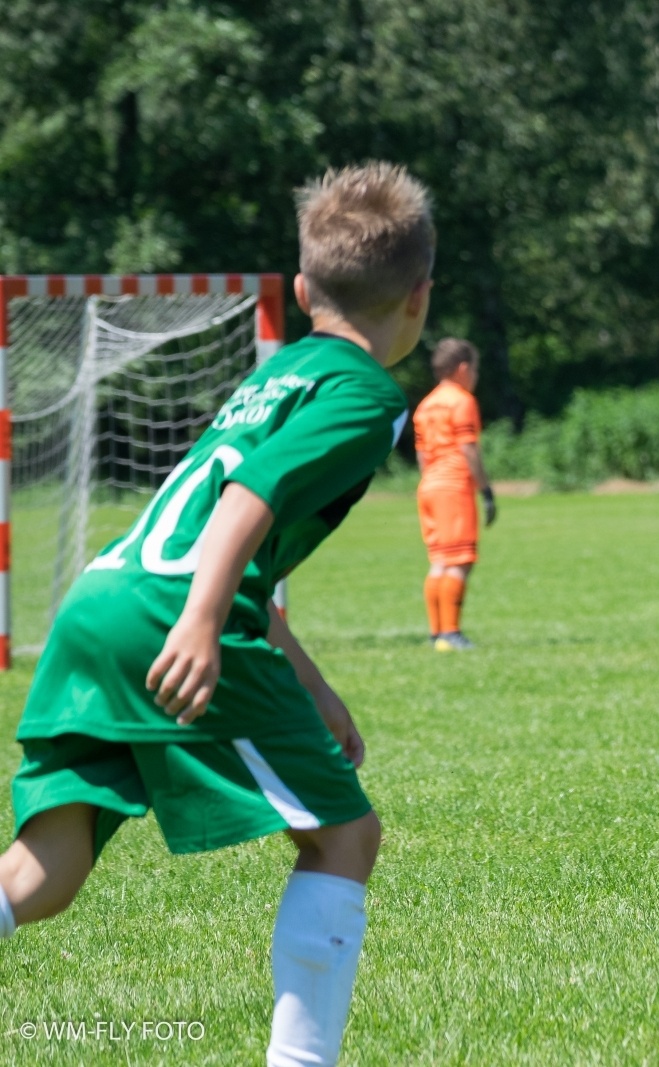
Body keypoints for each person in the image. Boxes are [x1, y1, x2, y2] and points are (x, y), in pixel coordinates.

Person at [0, 162, 433, 1066]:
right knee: (345, 836)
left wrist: (312, 685)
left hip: (102, 599)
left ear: (304, 288)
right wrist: (201, 622)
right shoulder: (363, 394)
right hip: (172, 608)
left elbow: (244, 538)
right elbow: (246, 501)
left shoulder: (281, 372)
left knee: (44, 872)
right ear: (419, 299)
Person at [414, 337, 496, 651]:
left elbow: (422, 455)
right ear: (463, 369)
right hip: (453, 485)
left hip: (429, 487)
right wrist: (485, 489)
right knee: (460, 560)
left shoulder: (425, 405)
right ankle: (450, 632)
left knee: (438, 561)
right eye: (474, 369)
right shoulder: (461, 401)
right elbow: (468, 448)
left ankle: (437, 632)